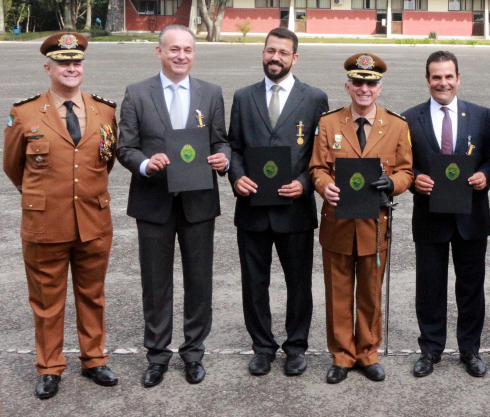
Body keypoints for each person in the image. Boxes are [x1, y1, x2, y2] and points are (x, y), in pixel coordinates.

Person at [3, 33, 119, 399]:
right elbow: (13, 166)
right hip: (45, 223)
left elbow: (105, 161)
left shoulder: (104, 111)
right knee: (47, 302)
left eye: (76, 62)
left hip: (93, 220)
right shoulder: (24, 113)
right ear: (48, 68)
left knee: (93, 295)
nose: (71, 68)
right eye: (63, 62)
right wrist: (44, 196)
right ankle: (50, 367)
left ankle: (94, 359)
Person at [117, 24, 230, 387]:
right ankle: (157, 356)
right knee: (156, 283)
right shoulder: (137, 93)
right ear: (160, 52)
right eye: (174, 49)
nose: (181, 56)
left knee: (199, 281)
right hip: (153, 202)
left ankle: (193, 353)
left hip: (198, 202)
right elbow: (125, 147)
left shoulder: (211, 93)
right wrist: (145, 165)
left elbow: (221, 141)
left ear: (194, 54)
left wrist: (223, 159)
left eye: (188, 50)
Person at [227, 27, 328, 377]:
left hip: (295, 209)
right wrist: (236, 176)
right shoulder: (243, 97)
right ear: (263, 53)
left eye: (283, 52)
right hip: (252, 208)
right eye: (271, 50)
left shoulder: (314, 98)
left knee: (299, 284)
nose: (276, 57)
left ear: (294, 58)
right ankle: (263, 347)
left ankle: (296, 347)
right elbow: (234, 147)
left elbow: (320, 153)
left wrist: (305, 184)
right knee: (254, 283)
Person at [309, 53, 413, 384]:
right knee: (338, 292)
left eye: (370, 84)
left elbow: (407, 171)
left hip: (375, 224)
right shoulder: (329, 123)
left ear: (379, 88)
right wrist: (324, 187)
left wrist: (392, 184)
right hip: (338, 221)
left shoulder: (397, 126)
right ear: (348, 86)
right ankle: (342, 355)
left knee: (370, 293)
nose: (363, 89)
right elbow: (317, 168)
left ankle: (368, 353)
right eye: (357, 83)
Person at [403, 51, 490, 378]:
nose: (443, 83)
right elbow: (402, 165)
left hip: (471, 216)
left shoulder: (481, 116)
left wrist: (486, 176)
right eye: (436, 77)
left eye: (448, 76)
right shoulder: (409, 119)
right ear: (427, 80)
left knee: (471, 287)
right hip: (430, 216)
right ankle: (430, 349)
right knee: (429, 286)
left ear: (458, 78)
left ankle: (470, 349)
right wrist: (414, 179)